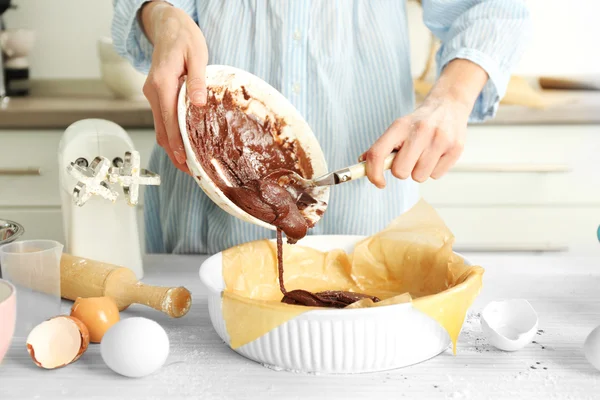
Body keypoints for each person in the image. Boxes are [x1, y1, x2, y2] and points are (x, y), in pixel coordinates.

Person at [112, 0, 531, 254]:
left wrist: (452, 97)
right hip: (206, 211)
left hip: (368, 213)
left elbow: (488, 7)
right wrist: (162, 14)